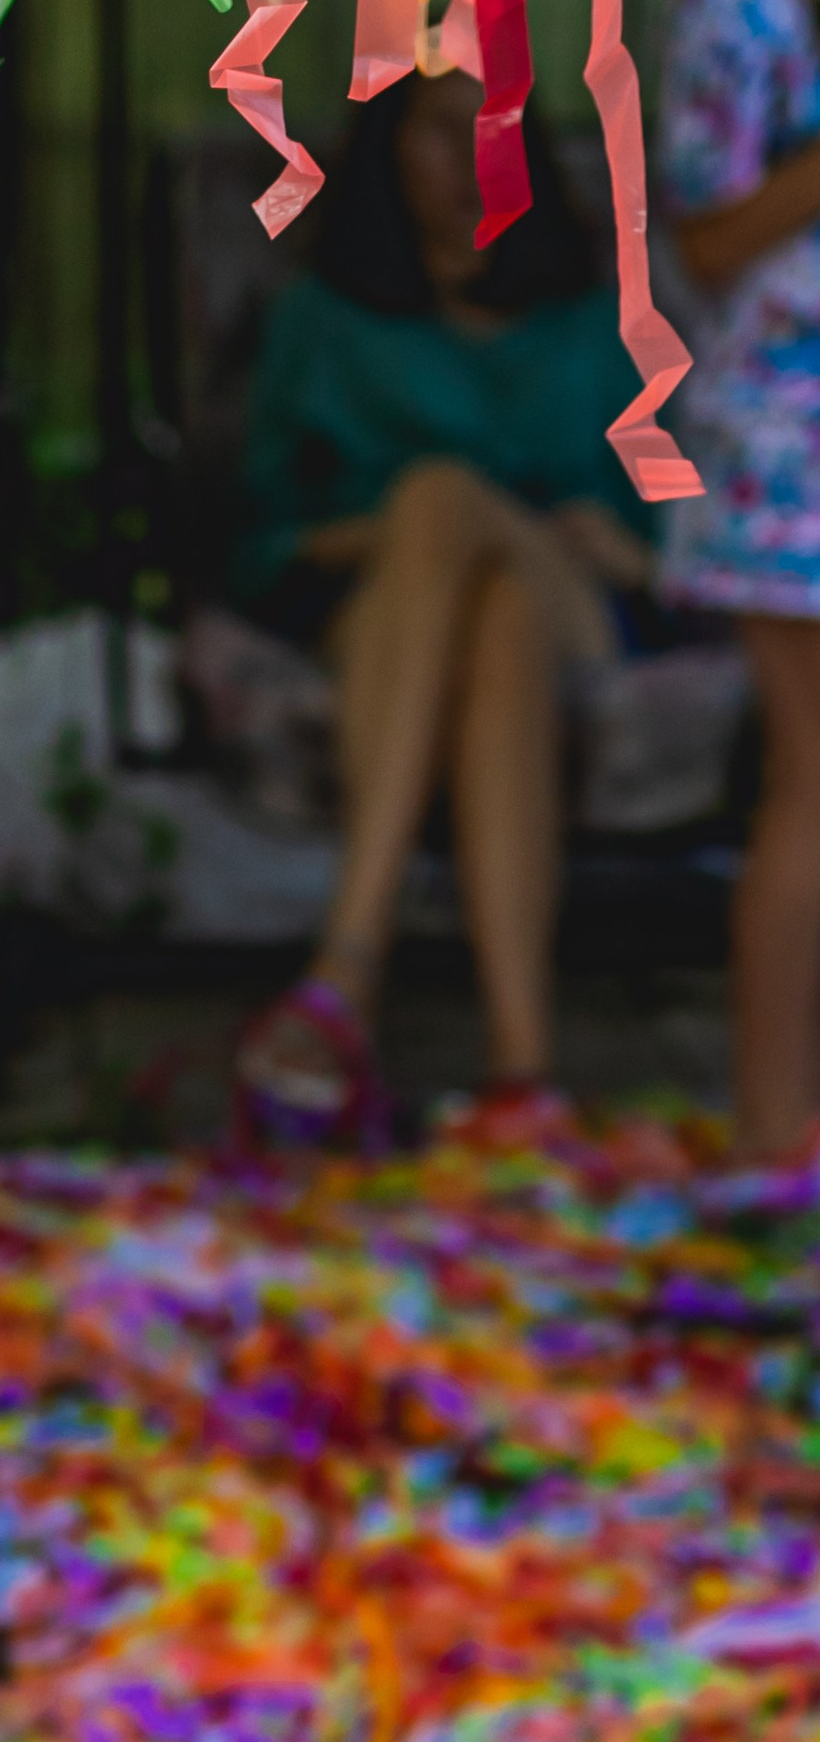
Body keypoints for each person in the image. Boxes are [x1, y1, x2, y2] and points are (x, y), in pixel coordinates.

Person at [227, 67, 659, 1147]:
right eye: (437, 129)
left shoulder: (592, 324)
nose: (468, 154)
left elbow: (667, 547)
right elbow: (259, 544)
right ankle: (523, 1071)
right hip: (386, 606)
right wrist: (415, 534)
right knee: (483, 598)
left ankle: (345, 965)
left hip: (578, 599)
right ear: (387, 148)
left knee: (457, 516)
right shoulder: (321, 326)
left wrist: (615, 549)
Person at [659, 0, 820, 1165]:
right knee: (812, 791)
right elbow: (706, 238)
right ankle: (773, 1145)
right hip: (787, 453)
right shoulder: (746, 4)